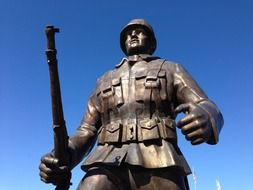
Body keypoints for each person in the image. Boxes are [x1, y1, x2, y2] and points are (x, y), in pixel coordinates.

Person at [39, 19, 223, 190]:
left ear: (151, 43)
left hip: (160, 160)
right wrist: (63, 155)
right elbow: (86, 130)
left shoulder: (171, 68)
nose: (132, 35)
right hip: (106, 161)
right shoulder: (103, 80)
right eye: (128, 34)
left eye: (139, 32)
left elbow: (205, 103)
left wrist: (206, 115)